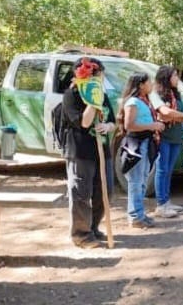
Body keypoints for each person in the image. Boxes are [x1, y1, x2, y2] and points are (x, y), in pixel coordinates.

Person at [62, 57, 116, 248]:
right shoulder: (71, 95)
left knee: (105, 191)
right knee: (81, 194)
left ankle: (93, 227)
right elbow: (84, 122)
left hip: (101, 150)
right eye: (99, 73)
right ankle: (81, 235)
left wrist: (107, 126)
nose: (102, 77)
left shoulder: (101, 93)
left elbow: (113, 121)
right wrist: (93, 102)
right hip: (80, 150)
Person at [117, 72, 165, 228]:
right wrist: (152, 126)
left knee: (142, 180)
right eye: (148, 82)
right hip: (136, 144)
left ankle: (139, 213)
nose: (151, 84)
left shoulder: (145, 101)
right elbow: (129, 125)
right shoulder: (132, 102)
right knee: (136, 182)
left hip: (145, 142)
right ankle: (135, 216)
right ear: (140, 85)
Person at [150, 66, 183, 218]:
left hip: (176, 137)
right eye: (174, 76)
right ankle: (161, 204)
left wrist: (176, 115)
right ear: (166, 77)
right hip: (164, 137)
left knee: (169, 170)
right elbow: (164, 113)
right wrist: (179, 115)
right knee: (162, 169)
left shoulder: (175, 95)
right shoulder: (155, 94)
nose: (177, 79)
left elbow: (178, 115)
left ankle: (167, 201)